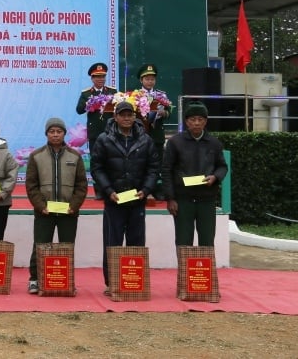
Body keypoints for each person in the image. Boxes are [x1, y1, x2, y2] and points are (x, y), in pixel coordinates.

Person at [90, 101, 160, 293]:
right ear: (116, 117)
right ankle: (112, 283)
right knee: (112, 242)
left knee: (136, 242)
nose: (127, 118)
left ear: (135, 117)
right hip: (114, 200)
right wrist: (108, 190)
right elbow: (97, 168)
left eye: (130, 115)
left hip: (137, 200)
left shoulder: (146, 140)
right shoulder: (104, 139)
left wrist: (145, 190)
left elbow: (153, 168)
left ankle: (134, 282)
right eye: (123, 115)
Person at [25, 117, 88, 294]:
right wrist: (40, 206)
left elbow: (81, 185)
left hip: (68, 212)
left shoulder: (75, 156)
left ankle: (66, 280)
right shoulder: (36, 156)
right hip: (44, 211)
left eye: (58, 131)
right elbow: (31, 185)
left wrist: (73, 206)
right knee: (40, 245)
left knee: (67, 247)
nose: (55, 135)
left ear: (64, 133)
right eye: (51, 132)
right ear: (46, 134)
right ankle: (34, 279)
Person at [161, 102, 228, 247]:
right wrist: (170, 198)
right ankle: (184, 270)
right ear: (186, 121)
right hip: (183, 200)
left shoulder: (214, 143)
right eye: (192, 119)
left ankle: (205, 270)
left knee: (207, 240)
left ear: (206, 121)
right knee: (183, 241)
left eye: (200, 119)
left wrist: (215, 177)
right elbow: (166, 170)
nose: (196, 123)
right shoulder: (175, 142)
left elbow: (222, 166)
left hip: (207, 200)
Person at [75, 62, 118, 155]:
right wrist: (89, 104)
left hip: (110, 130)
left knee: (111, 157)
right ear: (92, 78)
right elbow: (79, 110)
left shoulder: (112, 91)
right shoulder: (86, 94)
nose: (101, 79)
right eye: (98, 77)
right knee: (95, 158)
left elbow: (118, 108)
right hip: (94, 132)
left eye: (103, 76)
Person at [136, 63, 171, 156]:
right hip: (140, 135)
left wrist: (164, 113)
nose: (150, 82)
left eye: (152, 79)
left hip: (157, 135)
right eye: (147, 79)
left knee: (157, 162)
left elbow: (169, 113)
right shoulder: (135, 95)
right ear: (141, 80)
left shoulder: (161, 95)